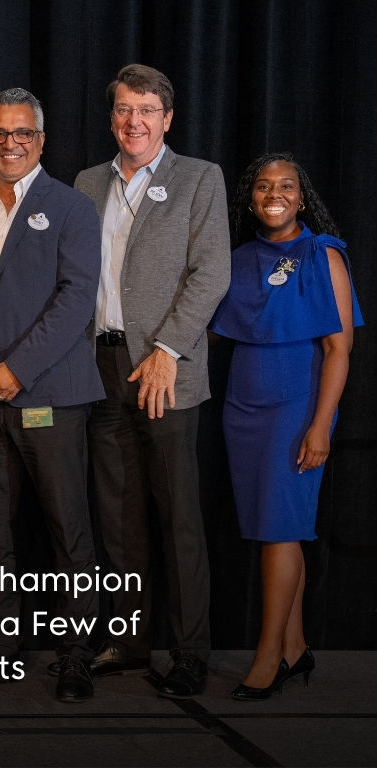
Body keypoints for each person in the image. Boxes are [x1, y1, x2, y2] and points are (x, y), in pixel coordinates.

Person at [74, 64, 230, 698]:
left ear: (167, 119)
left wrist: (168, 349)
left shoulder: (199, 177)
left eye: (145, 110)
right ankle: (129, 638)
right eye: (123, 110)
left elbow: (211, 272)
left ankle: (190, 652)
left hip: (163, 371)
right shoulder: (88, 182)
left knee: (178, 515)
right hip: (100, 365)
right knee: (118, 514)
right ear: (112, 118)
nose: (133, 121)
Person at [0, 89, 104, 703]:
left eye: (22, 134)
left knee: (68, 530)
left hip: (50, 394)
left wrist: (17, 369)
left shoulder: (72, 208)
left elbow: (76, 298)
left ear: (41, 141)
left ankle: (76, 656)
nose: (9, 144)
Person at [211, 153, 363, 700]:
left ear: (302, 198)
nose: (274, 194)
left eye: (287, 186)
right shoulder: (238, 259)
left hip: (296, 407)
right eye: (263, 186)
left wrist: (321, 426)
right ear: (250, 199)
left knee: (279, 528)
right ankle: (295, 649)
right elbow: (213, 330)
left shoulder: (324, 254)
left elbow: (339, 349)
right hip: (242, 405)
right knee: (276, 529)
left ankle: (267, 656)